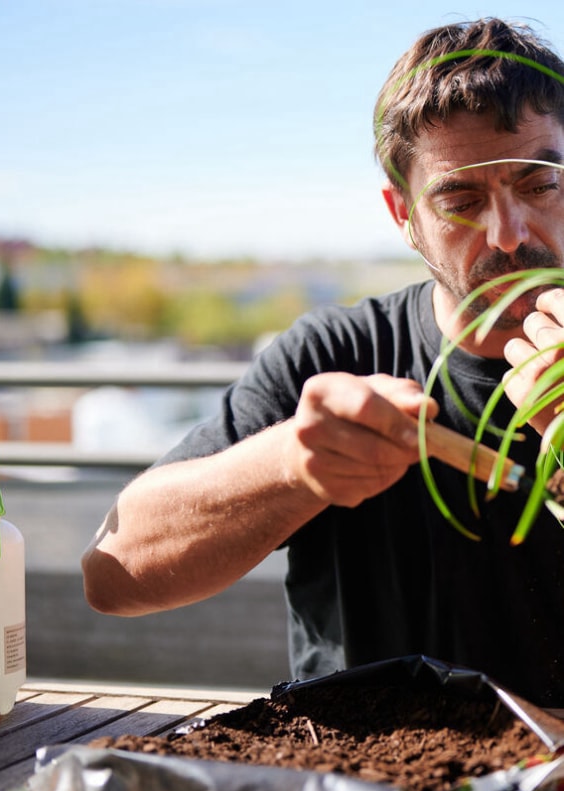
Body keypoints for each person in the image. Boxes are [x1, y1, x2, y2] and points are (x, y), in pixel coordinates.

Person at [81, 17, 564, 707]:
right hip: (359, 788)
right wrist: (288, 467)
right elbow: (112, 573)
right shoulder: (333, 357)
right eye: (460, 200)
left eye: (538, 183)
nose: (510, 235)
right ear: (404, 215)